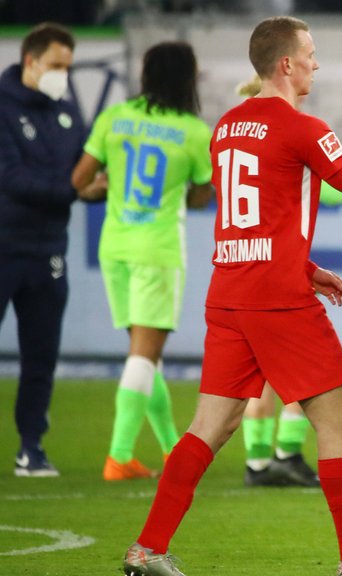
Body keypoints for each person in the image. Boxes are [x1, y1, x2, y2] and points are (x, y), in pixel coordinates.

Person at [119, 15, 342, 576]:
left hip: (230, 295)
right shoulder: (303, 128)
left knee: (211, 425)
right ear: (286, 63)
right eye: (310, 52)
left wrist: (307, 267)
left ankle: (147, 549)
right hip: (277, 304)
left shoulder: (226, 128)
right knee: (338, 423)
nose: (317, 62)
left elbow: (248, 223)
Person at [232, 74, 342, 488]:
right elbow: (336, 191)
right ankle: (288, 453)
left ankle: (257, 462)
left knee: (258, 379)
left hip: (242, 271)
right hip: (280, 278)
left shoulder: (234, 133)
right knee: (312, 375)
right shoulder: (294, 132)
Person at [71, 41, 213, 482]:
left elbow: (79, 182)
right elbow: (203, 195)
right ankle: (118, 455)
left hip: (115, 246)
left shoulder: (115, 118)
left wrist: (108, 186)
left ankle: (173, 449)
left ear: (146, 76)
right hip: (157, 250)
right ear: (188, 80)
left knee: (144, 355)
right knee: (143, 355)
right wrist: (180, 191)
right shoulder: (193, 131)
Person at [0, 22, 95, 477]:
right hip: (4, 245)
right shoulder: (1, 106)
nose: (63, 75)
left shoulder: (65, 109)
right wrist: (73, 190)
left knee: (41, 355)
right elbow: (12, 179)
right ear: (31, 61)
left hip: (48, 250)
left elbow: (84, 164)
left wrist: (96, 188)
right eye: (57, 66)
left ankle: (30, 446)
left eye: (68, 67)